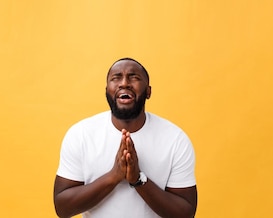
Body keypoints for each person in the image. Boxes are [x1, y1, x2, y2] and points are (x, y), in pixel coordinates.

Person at [53, 58, 197, 218]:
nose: (124, 83)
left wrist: (138, 179)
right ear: (107, 90)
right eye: (116, 78)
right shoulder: (80, 135)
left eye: (134, 77)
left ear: (148, 91)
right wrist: (113, 176)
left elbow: (185, 213)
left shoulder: (175, 139)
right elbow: (63, 208)